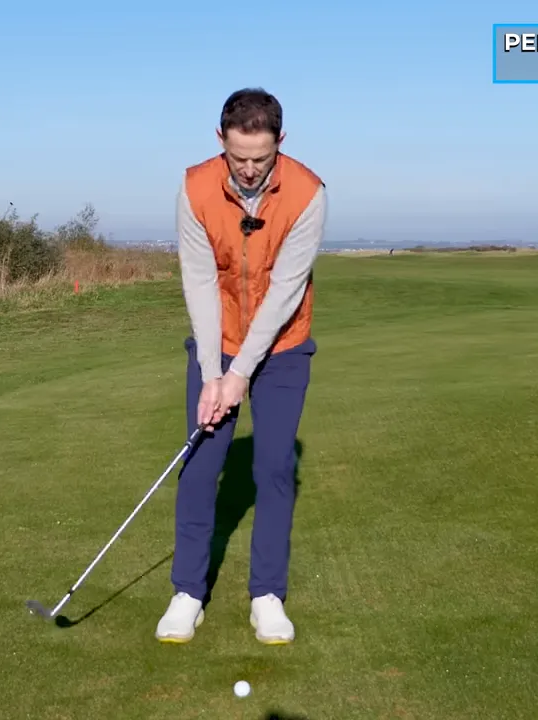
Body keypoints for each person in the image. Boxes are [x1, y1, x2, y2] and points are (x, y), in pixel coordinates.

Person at [155, 88, 327, 645]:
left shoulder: (308, 193)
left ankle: (267, 596)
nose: (250, 170)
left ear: (281, 142)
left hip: (283, 346)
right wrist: (213, 372)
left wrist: (241, 372)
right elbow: (200, 281)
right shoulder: (194, 188)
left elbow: (283, 292)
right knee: (201, 463)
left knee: (274, 468)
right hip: (218, 339)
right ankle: (187, 592)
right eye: (238, 158)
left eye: (261, 157)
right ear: (220, 142)